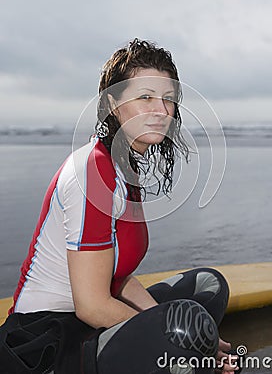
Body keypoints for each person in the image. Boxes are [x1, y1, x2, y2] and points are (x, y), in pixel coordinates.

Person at [0, 39, 240, 374]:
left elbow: (118, 277)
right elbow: (92, 305)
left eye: (168, 99)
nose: (160, 110)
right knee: (189, 328)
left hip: (92, 321)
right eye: (144, 97)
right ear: (113, 102)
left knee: (207, 286)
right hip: (50, 338)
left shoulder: (123, 168)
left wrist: (160, 323)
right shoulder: (93, 171)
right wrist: (172, 337)